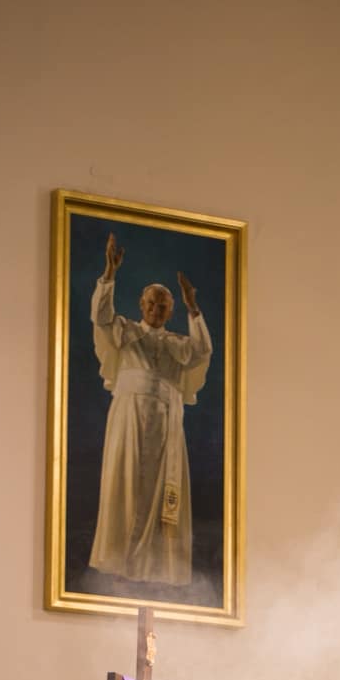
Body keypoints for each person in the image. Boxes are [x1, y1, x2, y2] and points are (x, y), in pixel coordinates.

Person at [88, 231, 212, 587]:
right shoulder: (126, 332)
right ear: (142, 306)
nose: (157, 311)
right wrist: (109, 274)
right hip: (130, 417)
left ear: (171, 311)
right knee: (126, 486)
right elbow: (100, 316)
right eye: (152, 305)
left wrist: (193, 306)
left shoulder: (177, 343)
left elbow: (202, 350)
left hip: (166, 424)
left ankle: (155, 569)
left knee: (159, 495)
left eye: (164, 307)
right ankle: (120, 562)